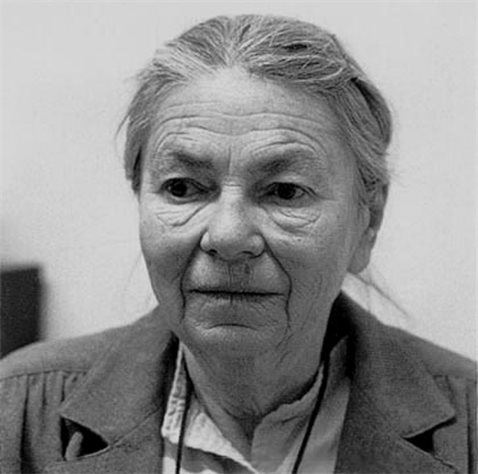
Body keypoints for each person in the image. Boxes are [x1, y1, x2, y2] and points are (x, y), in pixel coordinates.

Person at [0, 14, 475, 474]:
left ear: (368, 220)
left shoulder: (468, 429)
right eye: (182, 188)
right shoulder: (19, 413)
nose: (227, 237)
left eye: (284, 191)